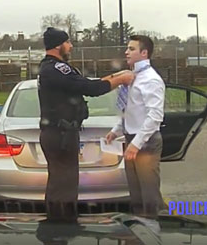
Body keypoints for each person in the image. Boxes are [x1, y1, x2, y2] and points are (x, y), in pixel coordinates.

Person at [38, 27, 134, 222]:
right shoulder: (56, 69)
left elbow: (84, 82)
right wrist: (122, 79)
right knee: (64, 184)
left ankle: (58, 225)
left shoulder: (51, 68)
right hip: (61, 134)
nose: (71, 46)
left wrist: (116, 76)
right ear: (58, 46)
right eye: (68, 42)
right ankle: (60, 229)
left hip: (60, 132)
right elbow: (91, 88)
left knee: (62, 182)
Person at [106, 35, 166, 220]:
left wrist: (136, 144)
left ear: (144, 53)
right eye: (127, 48)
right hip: (130, 139)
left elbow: (155, 116)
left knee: (149, 196)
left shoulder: (151, 80)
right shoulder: (131, 77)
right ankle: (138, 232)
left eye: (131, 49)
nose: (126, 52)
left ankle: (153, 232)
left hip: (145, 144)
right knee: (136, 195)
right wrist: (116, 130)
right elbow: (129, 109)